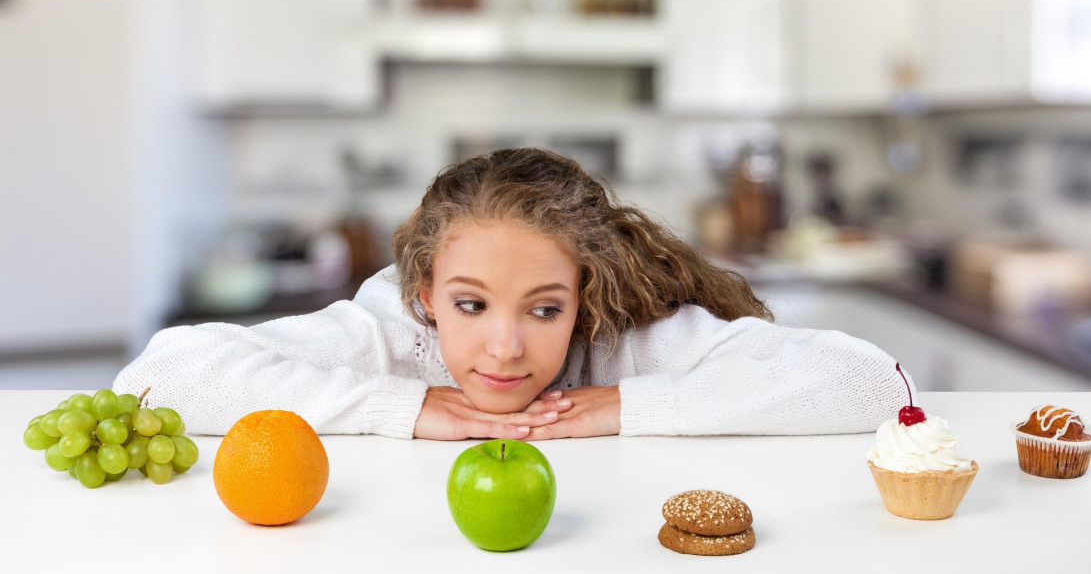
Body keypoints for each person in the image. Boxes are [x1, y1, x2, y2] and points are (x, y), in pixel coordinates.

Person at [113, 148, 914, 441]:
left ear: (584, 297)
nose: (505, 348)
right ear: (425, 293)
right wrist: (413, 409)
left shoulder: (619, 341)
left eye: (544, 309)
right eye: (470, 305)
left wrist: (620, 408)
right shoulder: (390, 330)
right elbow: (154, 376)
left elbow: (877, 383)